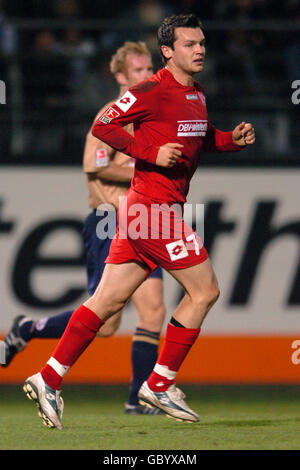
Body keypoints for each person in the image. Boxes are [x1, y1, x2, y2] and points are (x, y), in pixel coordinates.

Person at [23, 13, 255, 429]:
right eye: (189, 44)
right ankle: (160, 384)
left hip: (143, 211)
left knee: (105, 302)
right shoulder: (152, 89)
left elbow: (198, 141)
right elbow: (104, 124)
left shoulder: (197, 93)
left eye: (201, 42)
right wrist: (149, 153)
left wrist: (230, 141)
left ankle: (48, 377)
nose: (199, 49)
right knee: (205, 291)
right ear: (167, 51)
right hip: (153, 210)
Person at [3, 41, 166, 415]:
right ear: (121, 76)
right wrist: (146, 166)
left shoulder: (149, 118)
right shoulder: (110, 115)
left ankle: (138, 399)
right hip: (109, 221)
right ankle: (28, 328)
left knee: (153, 310)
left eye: (148, 69)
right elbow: (94, 167)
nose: (146, 75)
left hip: (142, 221)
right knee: (104, 322)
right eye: (138, 70)